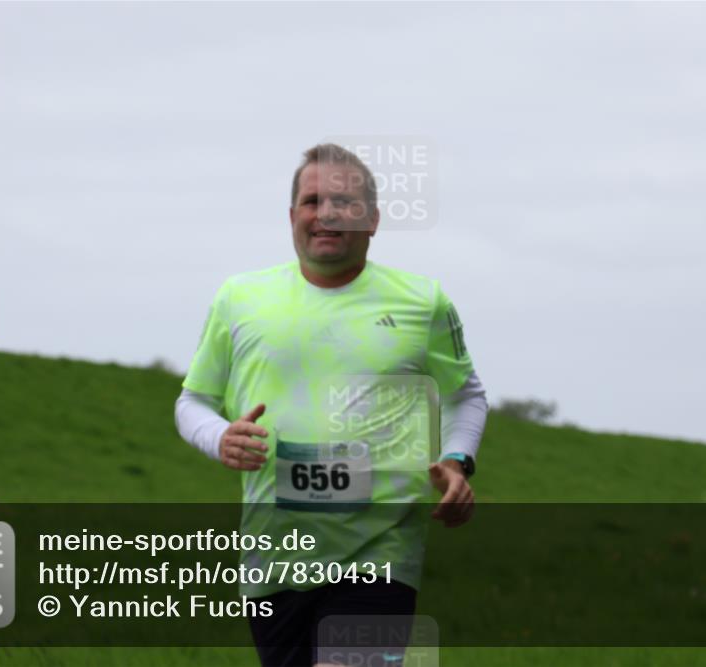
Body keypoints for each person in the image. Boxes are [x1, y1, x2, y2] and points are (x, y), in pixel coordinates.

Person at [175, 143, 488, 667]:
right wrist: (219, 437)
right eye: (311, 200)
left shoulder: (421, 301)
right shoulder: (240, 298)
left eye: (343, 203)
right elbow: (194, 400)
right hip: (274, 558)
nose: (325, 214)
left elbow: (465, 395)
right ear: (292, 215)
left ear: (373, 220)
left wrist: (457, 461)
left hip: (380, 554)